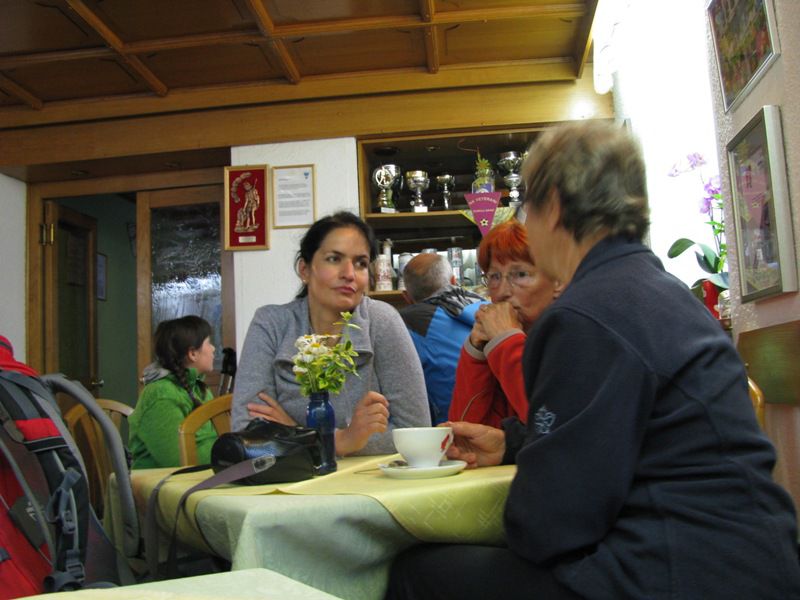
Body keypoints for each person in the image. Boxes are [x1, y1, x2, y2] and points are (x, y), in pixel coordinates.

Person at [387, 121, 800, 599]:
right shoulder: (657, 290)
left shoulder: (586, 315)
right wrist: (514, 447)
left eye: (529, 209)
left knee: (413, 572)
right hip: (749, 561)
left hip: (677, 573)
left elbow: (548, 523)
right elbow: (628, 437)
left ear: (555, 207)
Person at [231, 211, 430, 455]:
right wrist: (340, 440)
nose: (349, 273)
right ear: (304, 269)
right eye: (334, 259)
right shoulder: (271, 323)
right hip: (294, 485)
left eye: (361, 263)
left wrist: (294, 431)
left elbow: (417, 432)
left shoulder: (382, 320)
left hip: (373, 483)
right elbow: (248, 429)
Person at [448, 220, 560, 427]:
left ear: (557, 282)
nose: (502, 291)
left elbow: (550, 424)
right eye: (494, 276)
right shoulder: (496, 344)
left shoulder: (573, 335)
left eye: (520, 274)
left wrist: (506, 340)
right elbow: (466, 438)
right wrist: (476, 353)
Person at [398, 253, 486, 424]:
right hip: (508, 427)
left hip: (454, 432)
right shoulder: (487, 307)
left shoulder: (406, 323)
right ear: (454, 281)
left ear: (406, 297)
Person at [128, 316, 218, 468]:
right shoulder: (160, 395)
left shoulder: (200, 389)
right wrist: (229, 452)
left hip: (199, 477)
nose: (213, 348)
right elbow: (178, 459)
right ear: (192, 354)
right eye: (208, 343)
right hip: (159, 485)